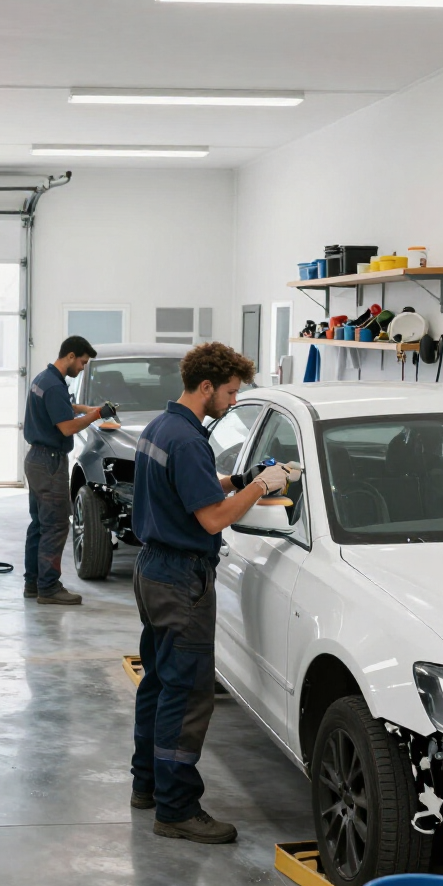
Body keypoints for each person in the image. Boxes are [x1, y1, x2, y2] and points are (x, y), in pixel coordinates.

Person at [129, 341, 292, 845]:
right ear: (206, 387)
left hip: (152, 570)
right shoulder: (189, 439)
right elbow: (214, 516)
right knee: (189, 693)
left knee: (158, 682)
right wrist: (262, 486)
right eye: (229, 392)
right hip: (182, 580)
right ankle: (177, 810)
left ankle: (148, 786)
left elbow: (192, 485)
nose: (231, 400)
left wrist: (238, 478)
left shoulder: (163, 428)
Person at [23, 335, 111, 605]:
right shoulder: (53, 385)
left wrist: (85, 409)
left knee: (39, 524)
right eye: (83, 362)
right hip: (49, 462)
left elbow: (61, 408)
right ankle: (49, 588)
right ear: (71, 356)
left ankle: (34, 583)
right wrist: (97, 415)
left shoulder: (44, 379)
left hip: (36, 459)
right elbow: (66, 427)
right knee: (57, 525)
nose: (83, 367)